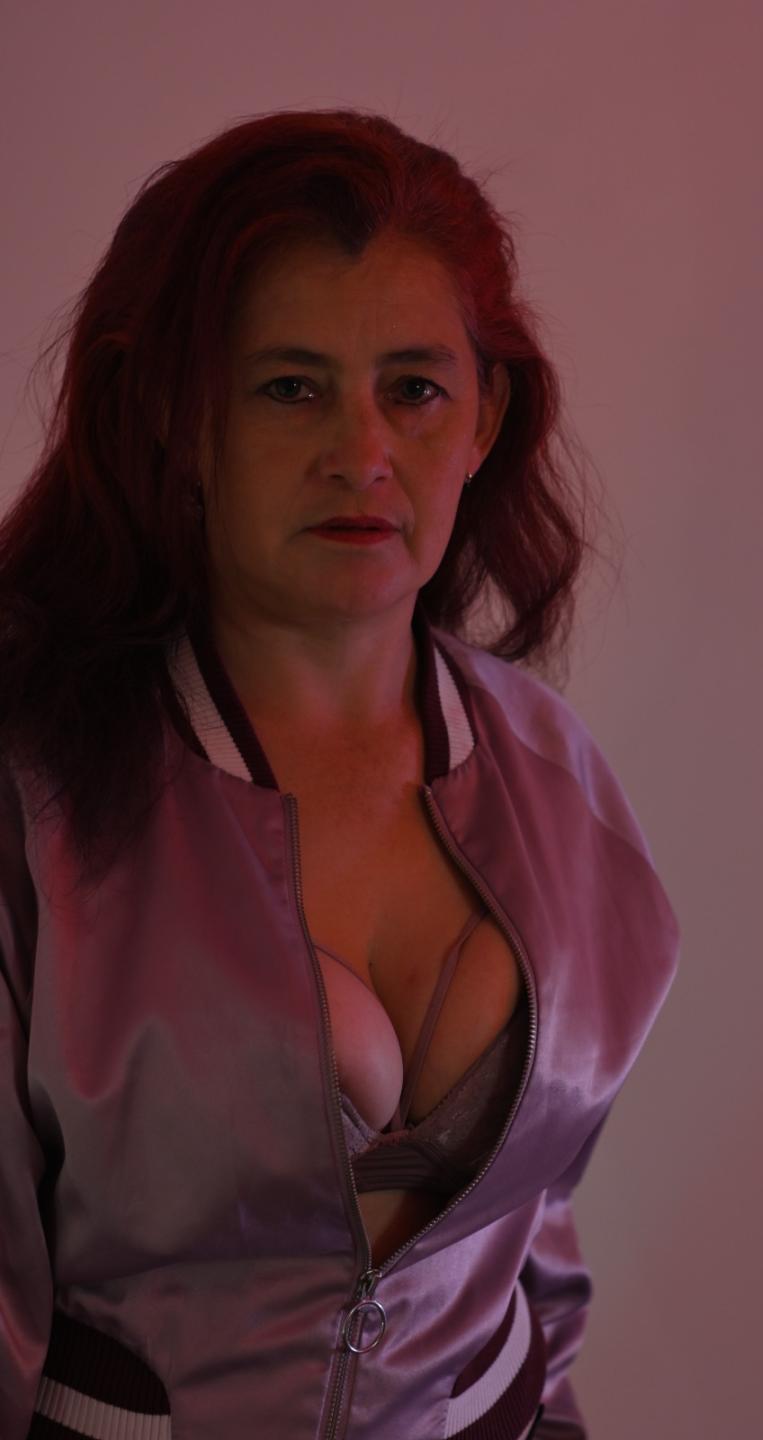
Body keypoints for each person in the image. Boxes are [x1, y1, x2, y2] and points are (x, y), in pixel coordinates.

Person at [0, 109, 680, 1440]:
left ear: (485, 418)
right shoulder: (40, 798)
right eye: (290, 387)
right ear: (175, 416)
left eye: (414, 390)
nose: (361, 453)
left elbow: (537, 1231)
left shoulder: (557, 777)